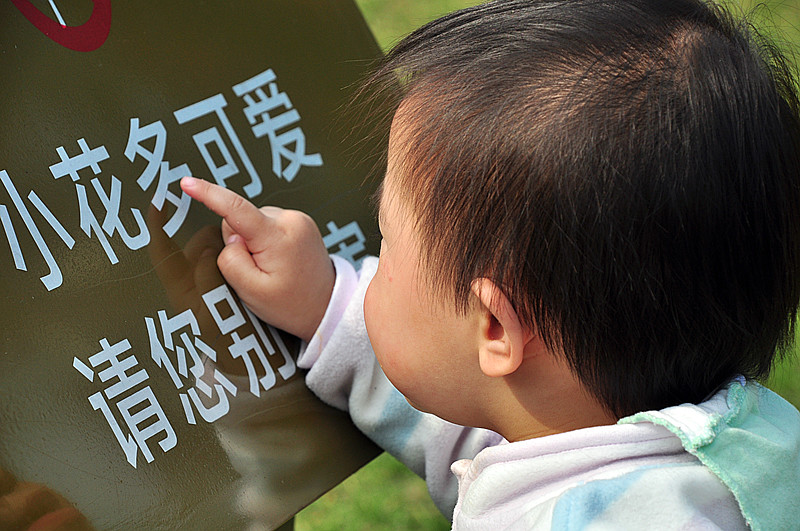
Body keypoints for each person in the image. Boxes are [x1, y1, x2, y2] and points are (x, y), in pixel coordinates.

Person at [181, 0, 800, 528]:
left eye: (389, 244)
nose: (375, 257)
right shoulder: (724, 444)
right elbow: (493, 423)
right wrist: (324, 303)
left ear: (496, 327)